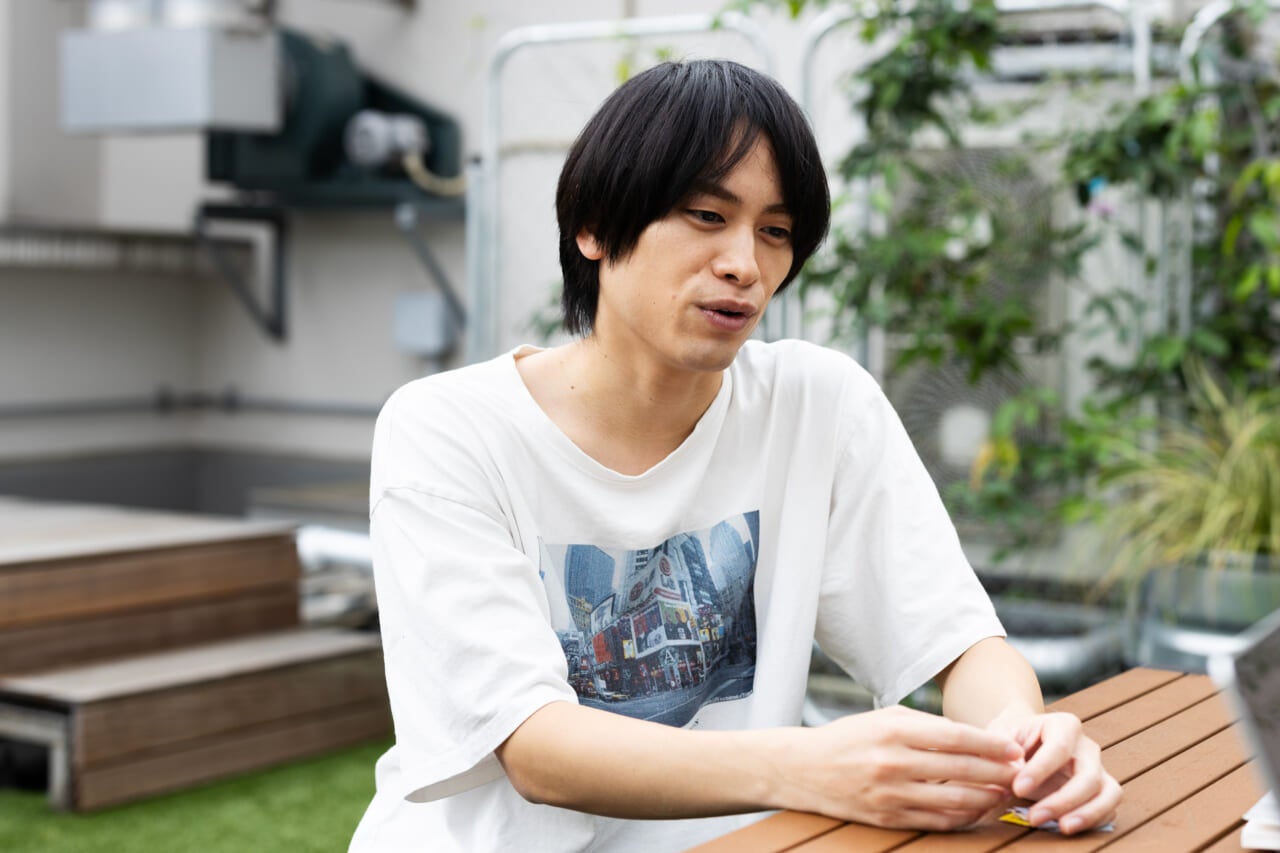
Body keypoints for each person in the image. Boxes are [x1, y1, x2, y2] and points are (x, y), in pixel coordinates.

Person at [349, 59, 1121, 853]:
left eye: (775, 232)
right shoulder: (449, 429)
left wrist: (1028, 746)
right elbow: (535, 747)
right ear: (594, 226)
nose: (744, 265)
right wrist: (809, 764)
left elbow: (957, 641)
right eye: (706, 215)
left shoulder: (818, 403)